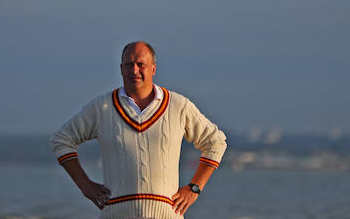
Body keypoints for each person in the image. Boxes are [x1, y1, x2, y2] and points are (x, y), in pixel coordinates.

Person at [50, 41, 227, 218]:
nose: (134, 70)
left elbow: (215, 143)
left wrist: (194, 188)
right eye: (128, 65)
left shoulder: (178, 106)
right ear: (121, 69)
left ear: (153, 69)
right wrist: (84, 185)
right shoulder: (102, 108)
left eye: (140, 64)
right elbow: (62, 141)